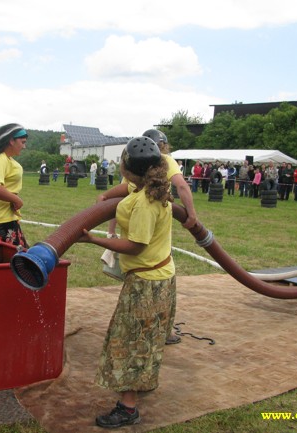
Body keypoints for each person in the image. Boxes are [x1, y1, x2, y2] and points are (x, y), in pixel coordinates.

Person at [78, 136, 175, 429]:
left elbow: (135, 246)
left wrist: (94, 239)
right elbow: (126, 190)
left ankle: (128, 408)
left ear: (126, 167)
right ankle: (142, 385)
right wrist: (106, 198)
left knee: (129, 342)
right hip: (161, 278)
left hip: (146, 284)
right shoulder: (150, 187)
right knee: (147, 340)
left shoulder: (144, 203)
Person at [98, 129, 198, 346]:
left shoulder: (147, 199)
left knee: (134, 336)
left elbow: (135, 246)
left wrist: (192, 217)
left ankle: (159, 331)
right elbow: (127, 189)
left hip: (145, 262)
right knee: (159, 261)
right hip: (153, 252)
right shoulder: (153, 179)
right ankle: (163, 330)